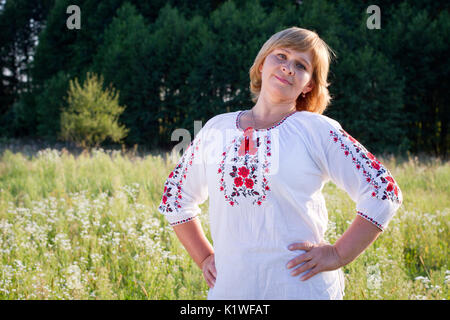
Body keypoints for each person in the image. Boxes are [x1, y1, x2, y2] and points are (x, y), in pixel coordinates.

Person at [157, 27, 403, 299]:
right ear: (262, 64)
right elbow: (175, 196)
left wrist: (338, 254)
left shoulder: (316, 130)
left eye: (301, 65)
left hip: (301, 289)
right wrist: (204, 257)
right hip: (232, 292)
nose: (288, 68)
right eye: (281, 56)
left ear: (309, 84)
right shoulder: (216, 129)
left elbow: (383, 191)